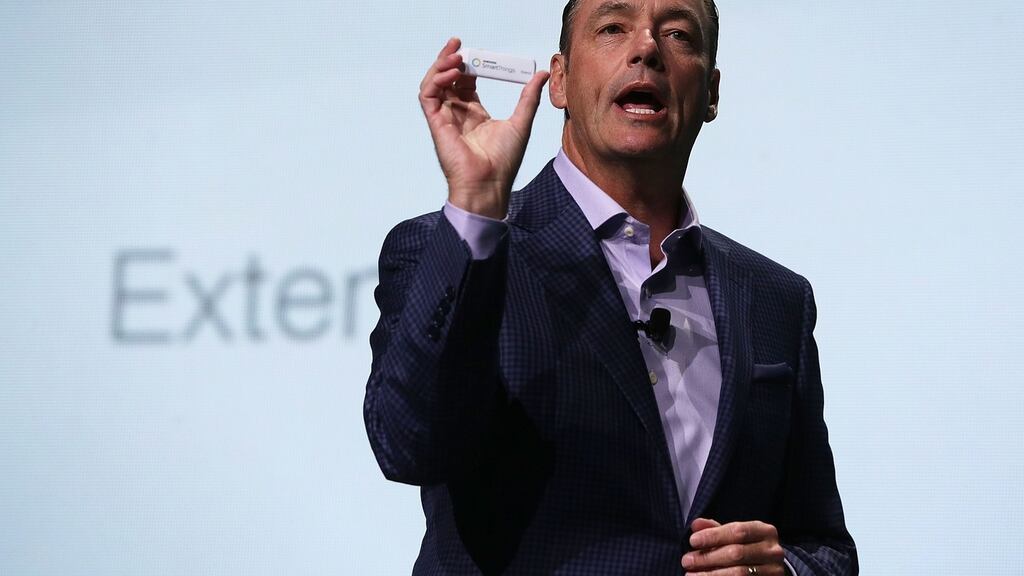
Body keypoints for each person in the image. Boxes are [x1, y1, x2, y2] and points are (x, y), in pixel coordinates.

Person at [363, 0, 857, 573]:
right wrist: (476, 206)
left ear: (712, 93)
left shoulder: (776, 298)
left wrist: (785, 570)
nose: (646, 47)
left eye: (678, 34)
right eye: (612, 28)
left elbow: (826, 545)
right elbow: (410, 445)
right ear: (560, 81)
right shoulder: (453, 248)